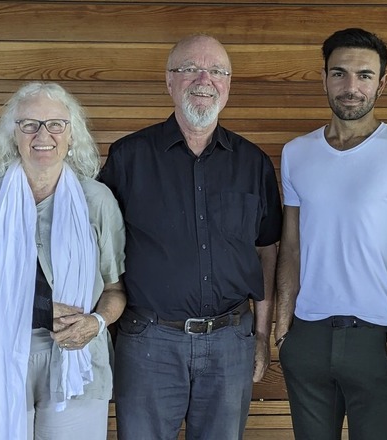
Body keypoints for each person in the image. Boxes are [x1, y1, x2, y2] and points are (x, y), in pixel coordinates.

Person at [99, 34, 282, 440]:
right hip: (149, 341)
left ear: (228, 83)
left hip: (231, 342)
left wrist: (263, 333)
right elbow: (99, 249)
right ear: (169, 80)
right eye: (190, 69)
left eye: (216, 70)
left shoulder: (253, 163)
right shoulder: (128, 157)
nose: (204, 79)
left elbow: (266, 250)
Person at [275, 28, 387, 440]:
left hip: (375, 339)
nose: (351, 87)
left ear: (382, 83)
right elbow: (291, 246)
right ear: (324, 78)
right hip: (306, 335)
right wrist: (283, 330)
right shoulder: (296, 152)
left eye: (365, 75)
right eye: (340, 74)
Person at [0, 82, 127, 440]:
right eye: (29, 124)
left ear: (72, 135)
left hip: (76, 358)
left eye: (55, 124)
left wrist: (96, 322)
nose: (43, 135)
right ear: (13, 135)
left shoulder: (97, 200)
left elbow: (116, 289)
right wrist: (39, 309)